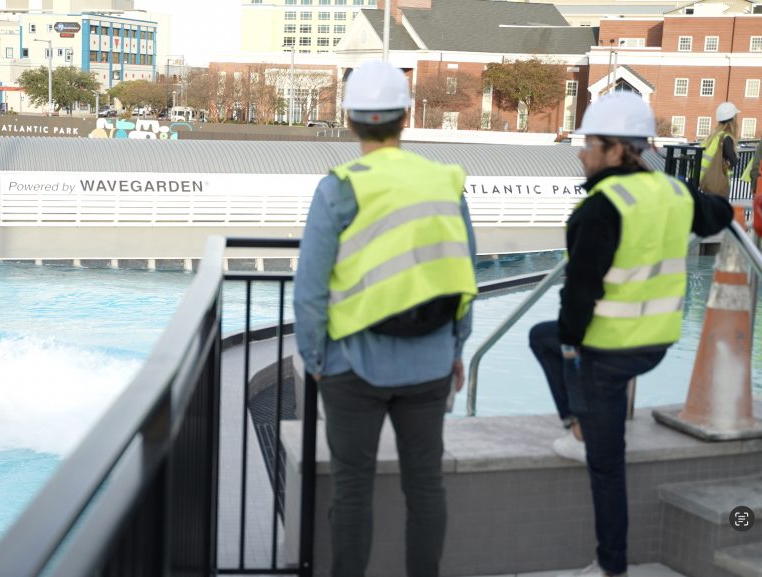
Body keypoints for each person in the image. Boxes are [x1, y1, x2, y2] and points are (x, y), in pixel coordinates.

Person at [528, 92, 732, 577]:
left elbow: (578, 298)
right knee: (542, 336)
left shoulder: (597, 210)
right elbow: (719, 213)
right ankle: (578, 428)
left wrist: (575, 351)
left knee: (607, 467)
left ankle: (610, 566)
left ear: (617, 150)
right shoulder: (674, 192)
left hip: (608, 354)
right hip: (656, 345)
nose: (581, 152)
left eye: (590, 143)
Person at [293, 60, 478, 577]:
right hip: (430, 361)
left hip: (352, 363)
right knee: (426, 487)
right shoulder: (445, 181)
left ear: (349, 120)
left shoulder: (340, 186)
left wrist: (315, 358)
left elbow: (309, 289)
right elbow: (464, 270)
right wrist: (456, 349)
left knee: (351, 491)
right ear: (407, 115)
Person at [699, 101, 740, 196]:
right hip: (717, 184)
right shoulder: (726, 138)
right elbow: (733, 161)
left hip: (704, 181)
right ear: (732, 120)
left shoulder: (713, 136)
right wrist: (736, 158)